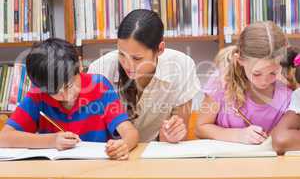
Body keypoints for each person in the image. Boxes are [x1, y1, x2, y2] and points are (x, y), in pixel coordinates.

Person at [0, 38, 139, 160]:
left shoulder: (99, 86)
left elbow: (130, 132)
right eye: (55, 92)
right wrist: (51, 141)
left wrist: (123, 145)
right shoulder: (38, 95)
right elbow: (4, 138)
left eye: (69, 86)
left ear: (79, 65)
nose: (66, 96)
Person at [88, 9, 201, 142]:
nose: (127, 65)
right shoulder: (100, 69)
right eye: (121, 54)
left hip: (157, 155)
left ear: (160, 49)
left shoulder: (182, 66)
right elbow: (92, 131)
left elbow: (180, 132)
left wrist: (171, 135)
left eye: (137, 58)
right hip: (112, 153)